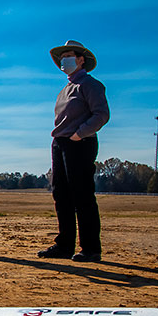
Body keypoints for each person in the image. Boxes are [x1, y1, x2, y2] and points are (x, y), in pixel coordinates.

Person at [38, 40, 110, 262]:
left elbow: (101, 114)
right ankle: (65, 245)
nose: (64, 60)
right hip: (60, 143)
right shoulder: (66, 88)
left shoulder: (90, 85)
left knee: (82, 195)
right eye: (63, 57)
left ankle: (90, 248)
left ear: (81, 60)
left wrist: (80, 133)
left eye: (69, 55)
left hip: (79, 142)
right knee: (61, 195)